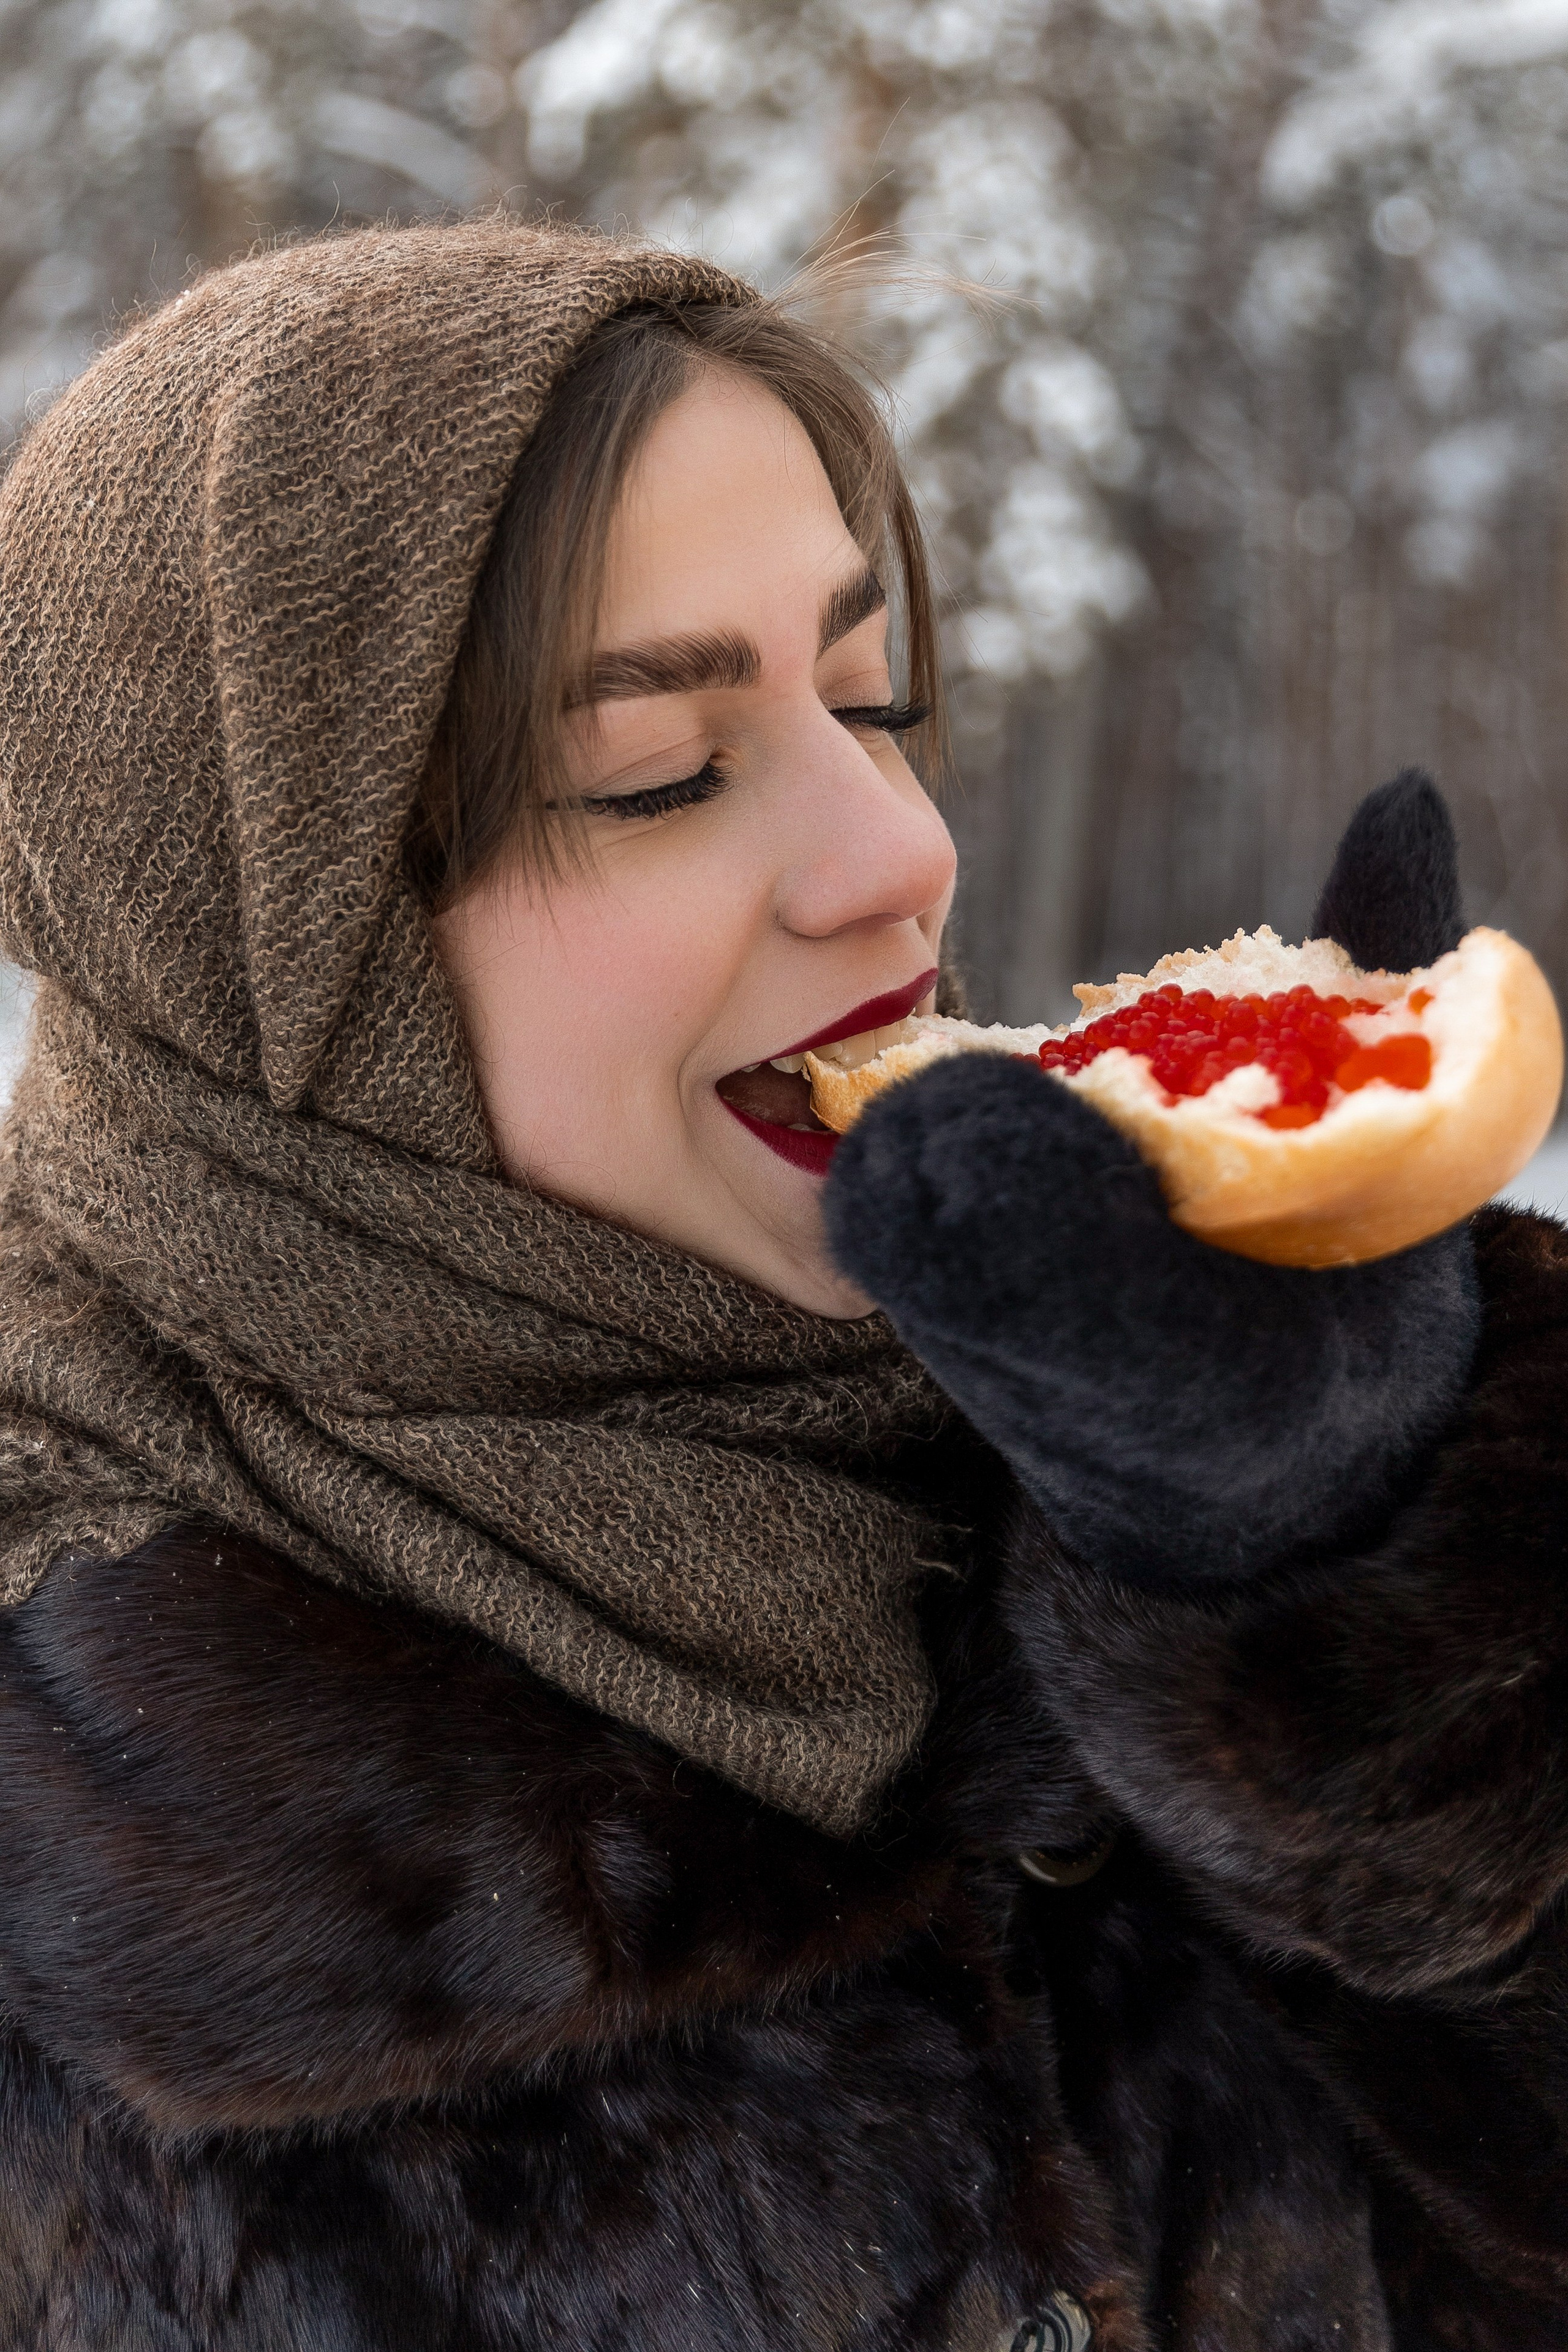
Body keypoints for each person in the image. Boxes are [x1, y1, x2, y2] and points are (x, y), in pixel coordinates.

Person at [0, 219, 1562, 2352]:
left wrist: (1381, 1601)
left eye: (870, 694)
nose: (901, 853)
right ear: (274, 961)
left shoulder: (1123, 1409)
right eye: (660, 771)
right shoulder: (60, 1786)